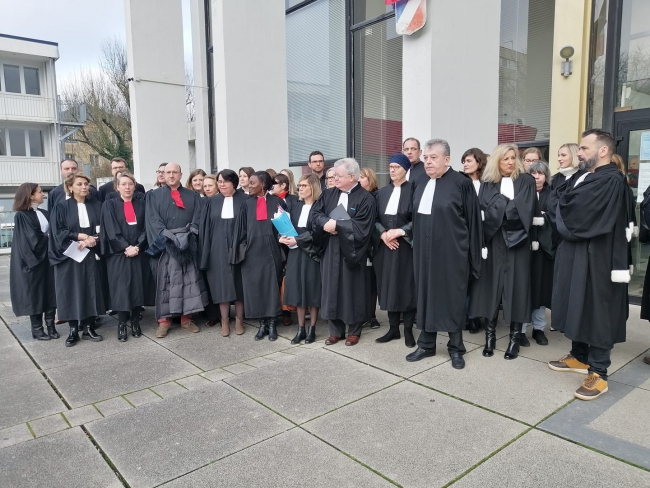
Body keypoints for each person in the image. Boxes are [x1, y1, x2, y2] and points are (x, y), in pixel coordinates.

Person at [548, 129, 630, 401]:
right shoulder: (586, 176)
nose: (579, 153)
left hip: (599, 257)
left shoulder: (611, 180)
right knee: (576, 303)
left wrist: (561, 204)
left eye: (584, 148)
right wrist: (562, 203)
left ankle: (599, 373)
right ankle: (579, 357)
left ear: (603, 150)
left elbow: (574, 211)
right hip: (576, 253)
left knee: (597, 310)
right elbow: (557, 201)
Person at [406, 140, 482, 369]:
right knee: (425, 296)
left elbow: (474, 223)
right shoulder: (418, 181)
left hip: (452, 254)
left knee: (451, 299)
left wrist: (474, 259)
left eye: (433, 158)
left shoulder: (462, 183)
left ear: (447, 160)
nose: (428, 162)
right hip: (423, 253)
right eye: (426, 158)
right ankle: (426, 344)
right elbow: (415, 218)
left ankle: (456, 348)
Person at [468, 143, 537, 360]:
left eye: (512, 158)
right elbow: (482, 210)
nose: (510, 162)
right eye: (505, 158)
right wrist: (504, 207)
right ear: (497, 161)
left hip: (518, 242)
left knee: (517, 288)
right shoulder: (488, 183)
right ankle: (490, 337)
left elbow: (524, 209)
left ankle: (515, 338)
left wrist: (499, 207)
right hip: (494, 241)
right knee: (491, 288)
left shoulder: (526, 181)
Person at [311, 158, 377, 346]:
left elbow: (364, 226)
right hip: (330, 249)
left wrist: (338, 225)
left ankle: (354, 330)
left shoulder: (366, 198)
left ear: (351, 176)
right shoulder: (329, 194)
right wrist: (326, 223)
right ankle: (335, 331)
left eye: (338, 175)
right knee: (331, 289)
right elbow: (315, 214)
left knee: (352, 289)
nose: (334, 179)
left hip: (352, 252)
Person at [145, 163, 208, 338]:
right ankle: (164, 322)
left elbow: (198, 217)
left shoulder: (192, 196)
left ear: (181, 175)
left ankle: (186, 319)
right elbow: (152, 220)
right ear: (162, 175)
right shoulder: (153, 196)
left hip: (186, 243)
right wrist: (168, 237)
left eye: (174, 172)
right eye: (167, 172)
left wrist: (190, 235)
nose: (171, 175)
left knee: (188, 284)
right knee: (165, 285)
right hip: (166, 245)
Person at [49, 173, 109, 346]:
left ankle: (89, 327)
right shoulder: (61, 207)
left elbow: (104, 229)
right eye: (80, 184)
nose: (84, 187)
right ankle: (73, 329)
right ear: (70, 187)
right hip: (70, 256)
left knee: (90, 289)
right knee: (72, 290)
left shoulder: (97, 205)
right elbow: (57, 232)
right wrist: (80, 236)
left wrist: (93, 239)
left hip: (91, 253)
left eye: (86, 184)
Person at [231, 171, 287, 340]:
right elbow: (240, 231)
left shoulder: (277, 202)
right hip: (252, 255)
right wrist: (243, 249)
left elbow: (284, 227)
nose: (249, 185)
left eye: (253, 183)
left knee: (271, 288)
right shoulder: (246, 205)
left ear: (262, 184)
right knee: (255, 289)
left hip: (272, 253)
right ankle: (262, 324)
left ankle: (272, 324)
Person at [373, 154, 416, 347]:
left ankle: (408, 331)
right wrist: (383, 235)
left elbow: (419, 219)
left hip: (405, 247)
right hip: (385, 248)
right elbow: (373, 220)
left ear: (405, 169)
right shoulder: (382, 193)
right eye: (390, 166)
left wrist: (401, 232)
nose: (392, 170)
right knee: (388, 287)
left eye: (396, 167)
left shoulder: (415, 190)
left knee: (406, 288)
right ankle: (393, 329)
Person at [100, 172, 147, 342]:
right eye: (124, 184)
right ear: (117, 186)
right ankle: (121, 323)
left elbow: (146, 229)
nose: (127, 187)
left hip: (138, 252)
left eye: (130, 184)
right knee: (121, 289)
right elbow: (111, 230)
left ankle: (135, 321)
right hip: (118, 253)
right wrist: (126, 247)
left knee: (137, 287)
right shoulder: (109, 204)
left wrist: (137, 246)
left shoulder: (142, 204)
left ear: (135, 186)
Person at [200, 169, 248, 336]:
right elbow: (205, 230)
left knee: (239, 284)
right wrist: (205, 253)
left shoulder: (246, 200)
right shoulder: (211, 202)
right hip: (217, 249)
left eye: (225, 182)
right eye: (219, 182)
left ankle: (240, 320)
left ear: (233, 182)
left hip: (240, 249)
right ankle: (225, 321)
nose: (221, 185)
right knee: (221, 286)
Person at [10, 183, 58, 340]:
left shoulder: (45, 212)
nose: (43, 194)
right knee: (35, 294)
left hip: (48, 260)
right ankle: (37, 329)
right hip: (32, 262)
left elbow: (54, 232)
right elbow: (31, 239)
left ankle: (51, 326)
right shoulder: (22, 215)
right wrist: (50, 238)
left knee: (51, 292)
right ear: (30, 195)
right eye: (39, 192)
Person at [279, 174, 322, 344]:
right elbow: (286, 227)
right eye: (299, 185)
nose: (301, 188)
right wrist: (282, 237)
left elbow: (318, 231)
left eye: (304, 185)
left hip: (312, 253)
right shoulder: (294, 206)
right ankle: (300, 329)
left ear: (313, 187)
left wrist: (298, 239)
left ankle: (312, 329)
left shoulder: (319, 207)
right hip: (295, 252)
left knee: (312, 290)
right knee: (298, 289)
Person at [523, 161, 552, 346]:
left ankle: (539, 329)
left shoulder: (552, 194)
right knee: (524, 290)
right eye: (533, 174)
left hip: (543, 251)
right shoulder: (523, 192)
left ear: (546, 176)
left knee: (540, 289)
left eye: (540, 174)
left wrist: (544, 216)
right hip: (524, 248)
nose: (537, 177)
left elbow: (558, 215)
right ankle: (520, 330)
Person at [461, 148, 488, 334]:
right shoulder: (460, 183)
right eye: (464, 161)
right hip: (464, 236)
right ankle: (465, 316)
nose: (465, 164)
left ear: (479, 162)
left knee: (480, 279)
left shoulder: (488, 184)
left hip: (485, 236)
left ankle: (475, 316)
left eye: (469, 161)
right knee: (465, 278)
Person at [359, 167, 380, 329]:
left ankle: (372, 315)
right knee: (360, 281)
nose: (359, 180)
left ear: (370, 179)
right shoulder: (356, 196)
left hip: (373, 244)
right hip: (358, 244)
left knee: (371, 281)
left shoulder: (377, 196)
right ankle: (361, 313)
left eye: (362, 177)